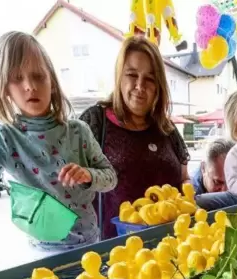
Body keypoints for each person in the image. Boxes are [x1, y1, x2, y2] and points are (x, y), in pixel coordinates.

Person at [0, 31, 117, 250]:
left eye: (38, 76)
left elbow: (110, 178)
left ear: (52, 81)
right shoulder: (5, 137)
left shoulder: (79, 131)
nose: (30, 85)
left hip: (91, 244)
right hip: (41, 253)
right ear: (4, 89)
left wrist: (88, 175)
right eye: (17, 78)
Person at [80, 36, 190, 239]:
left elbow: (185, 181)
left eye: (149, 78)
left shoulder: (167, 128)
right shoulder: (95, 122)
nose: (140, 86)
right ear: (119, 77)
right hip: (114, 255)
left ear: (158, 85)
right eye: (132, 75)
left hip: (171, 251)